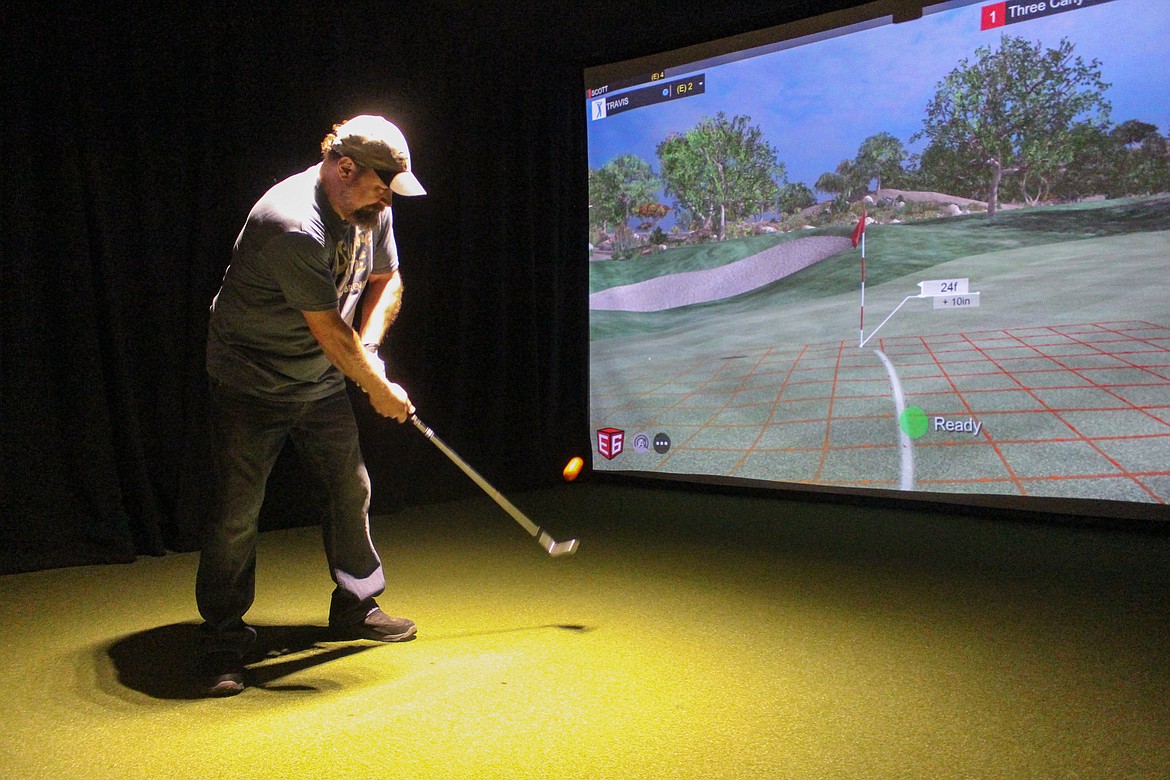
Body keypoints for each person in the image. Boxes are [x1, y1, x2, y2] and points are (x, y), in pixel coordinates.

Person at [197, 115, 426, 696]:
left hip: (320, 376)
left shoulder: (373, 207)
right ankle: (224, 635)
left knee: (351, 487)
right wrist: (377, 385)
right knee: (237, 509)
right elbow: (327, 327)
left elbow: (388, 279)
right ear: (343, 168)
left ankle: (355, 604)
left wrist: (370, 353)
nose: (385, 198)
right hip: (251, 380)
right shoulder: (292, 223)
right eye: (379, 184)